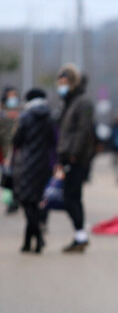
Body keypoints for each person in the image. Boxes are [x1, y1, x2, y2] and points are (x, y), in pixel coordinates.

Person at [55, 63, 96, 253]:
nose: (61, 86)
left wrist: (73, 154)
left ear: (73, 82)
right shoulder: (69, 103)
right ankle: (80, 234)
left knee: (71, 197)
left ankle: (81, 235)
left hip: (76, 159)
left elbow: (83, 131)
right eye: (60, 82)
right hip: (68, 157)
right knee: (71, 197)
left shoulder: (82, 103)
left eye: (65, 82)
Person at [11, 88, 56, 253]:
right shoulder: (50, 117)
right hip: (44, 165)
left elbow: (17, 140)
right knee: (36, 202)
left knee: (27, 202)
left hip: (27, 164)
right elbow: (54, 140)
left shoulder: (26, 116)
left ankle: (38, 239)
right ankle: (29, 242)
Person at [1, 86, 21, 214]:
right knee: (8, 177)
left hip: (17, 151)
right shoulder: (2, 113)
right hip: (6, 150)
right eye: (10, 95)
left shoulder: (21, 111)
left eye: (14, 95)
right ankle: (12, 201)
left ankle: (15, 201)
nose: (13, 98)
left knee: (15, 177)